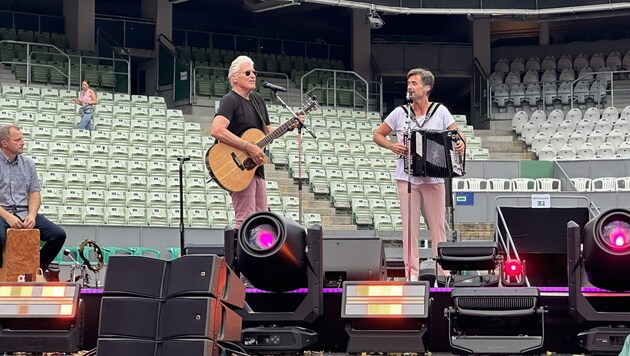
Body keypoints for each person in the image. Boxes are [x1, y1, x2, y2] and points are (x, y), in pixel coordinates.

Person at [373, 68, 465, 281]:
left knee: (438, 228)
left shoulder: (440, 111)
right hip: (407, 178)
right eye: (409, 83)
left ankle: (443, 275)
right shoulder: (400, 113)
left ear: (427, 88)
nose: (410, 87)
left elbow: (455, 132)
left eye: (414, 83)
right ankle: (411, 275)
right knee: (409, 228)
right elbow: (377, 134)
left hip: (434, 178)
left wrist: (459, 142)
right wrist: (392, 146)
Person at [210, 55, 301, 229]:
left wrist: (289, 125)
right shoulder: (230, 100)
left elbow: (268, 132)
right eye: (247, 72)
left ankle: (259, 254)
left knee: (262, 220)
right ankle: (240, 255)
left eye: (254, 72)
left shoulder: (257, 100)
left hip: (256, 169)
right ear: (234, 78)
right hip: (238, 168)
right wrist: (247, 146)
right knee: (245, 220)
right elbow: (217, 129)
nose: (253, 75)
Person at [0, 124, 66, 281]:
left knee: (58, 235)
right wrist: (8, 217)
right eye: (18, 140)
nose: (22, 142)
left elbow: (34, 193)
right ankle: (2, 271)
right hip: (2, 213)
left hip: (24, 211)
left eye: (22, 139)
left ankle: (36, 267)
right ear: (4, 143)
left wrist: (32, 214)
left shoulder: (28, 164)